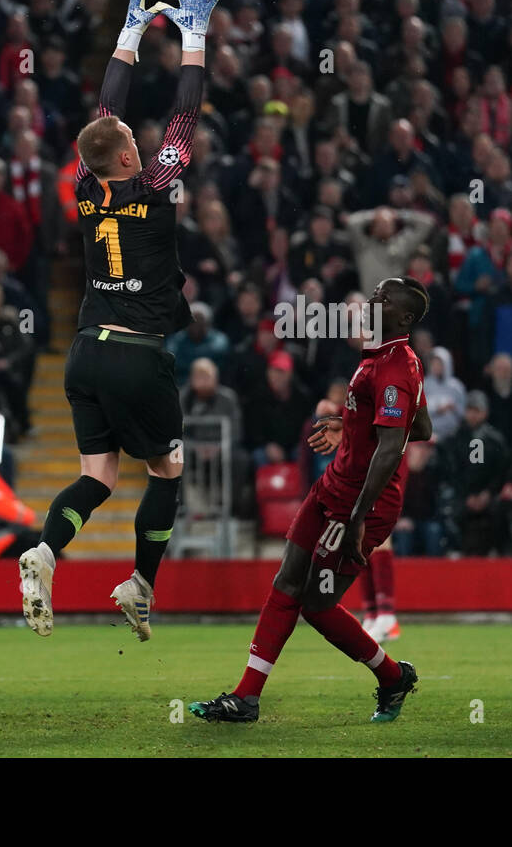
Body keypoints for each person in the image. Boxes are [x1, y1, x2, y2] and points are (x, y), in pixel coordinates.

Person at [19, 0, 220, 640]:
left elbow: (105, 116)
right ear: (130, 153)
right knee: (167, 467)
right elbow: (186, 119)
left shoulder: (83, 183)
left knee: (96, 477)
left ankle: (44, 553)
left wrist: (130, 34)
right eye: (134, 137)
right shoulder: (157, 184)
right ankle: (140, 584)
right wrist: (194, 38)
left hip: (83, 356)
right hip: (138, 354)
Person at [190, 277, 431, 724]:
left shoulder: (396, 366)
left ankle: (393, 675)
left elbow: (393, 447)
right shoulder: (381, 357)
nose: (371, 302)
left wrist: (358, 517)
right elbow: (423, 427)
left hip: (360, 503)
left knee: (318, 605)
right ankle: (246, 697)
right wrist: (352, 421)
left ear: (405, 318)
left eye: (382, 299)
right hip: (331, 488)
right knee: (286, 581)